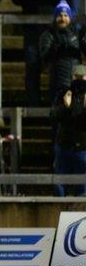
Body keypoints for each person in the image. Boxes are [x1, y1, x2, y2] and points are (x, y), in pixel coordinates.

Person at [11, 0, 71, 107]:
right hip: (32, 31)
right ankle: (34, 107)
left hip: (52, 31)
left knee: (56, 70)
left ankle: (56, 106)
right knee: (32, 70)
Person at [40, 0, 84, 106]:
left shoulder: (76, 35)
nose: (63, 18)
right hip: (58, 84)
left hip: (76, 83)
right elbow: (45, 57)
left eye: (65, 15)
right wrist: (56, 48)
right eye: (60, 15)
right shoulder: (49, 34)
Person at [51, 65, 86, 197]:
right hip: (64, 144)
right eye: (76, 77)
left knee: (83, 186)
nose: (79, 80)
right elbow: (53, 116)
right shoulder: (64, 93)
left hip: (83, 147)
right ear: (72, 77)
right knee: (59, 182)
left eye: (82, 77)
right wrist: (66, 106)